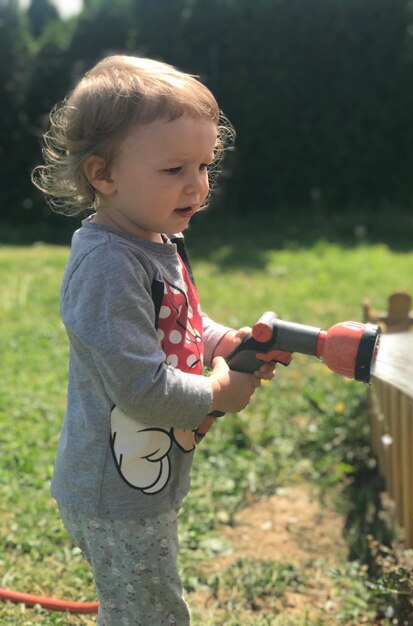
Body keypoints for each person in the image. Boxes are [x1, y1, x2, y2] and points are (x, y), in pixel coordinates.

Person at [32, 54, 275, 626]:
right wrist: (219, 391)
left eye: (204, 165)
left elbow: (179, 316)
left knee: (143, 605)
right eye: (174, 171)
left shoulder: (153, 240)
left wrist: (218, 341)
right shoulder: (108, 266)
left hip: (140, 482)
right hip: (113, 495)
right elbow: (141, 386)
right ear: (103, 175)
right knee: (150, 615)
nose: (197, 185)